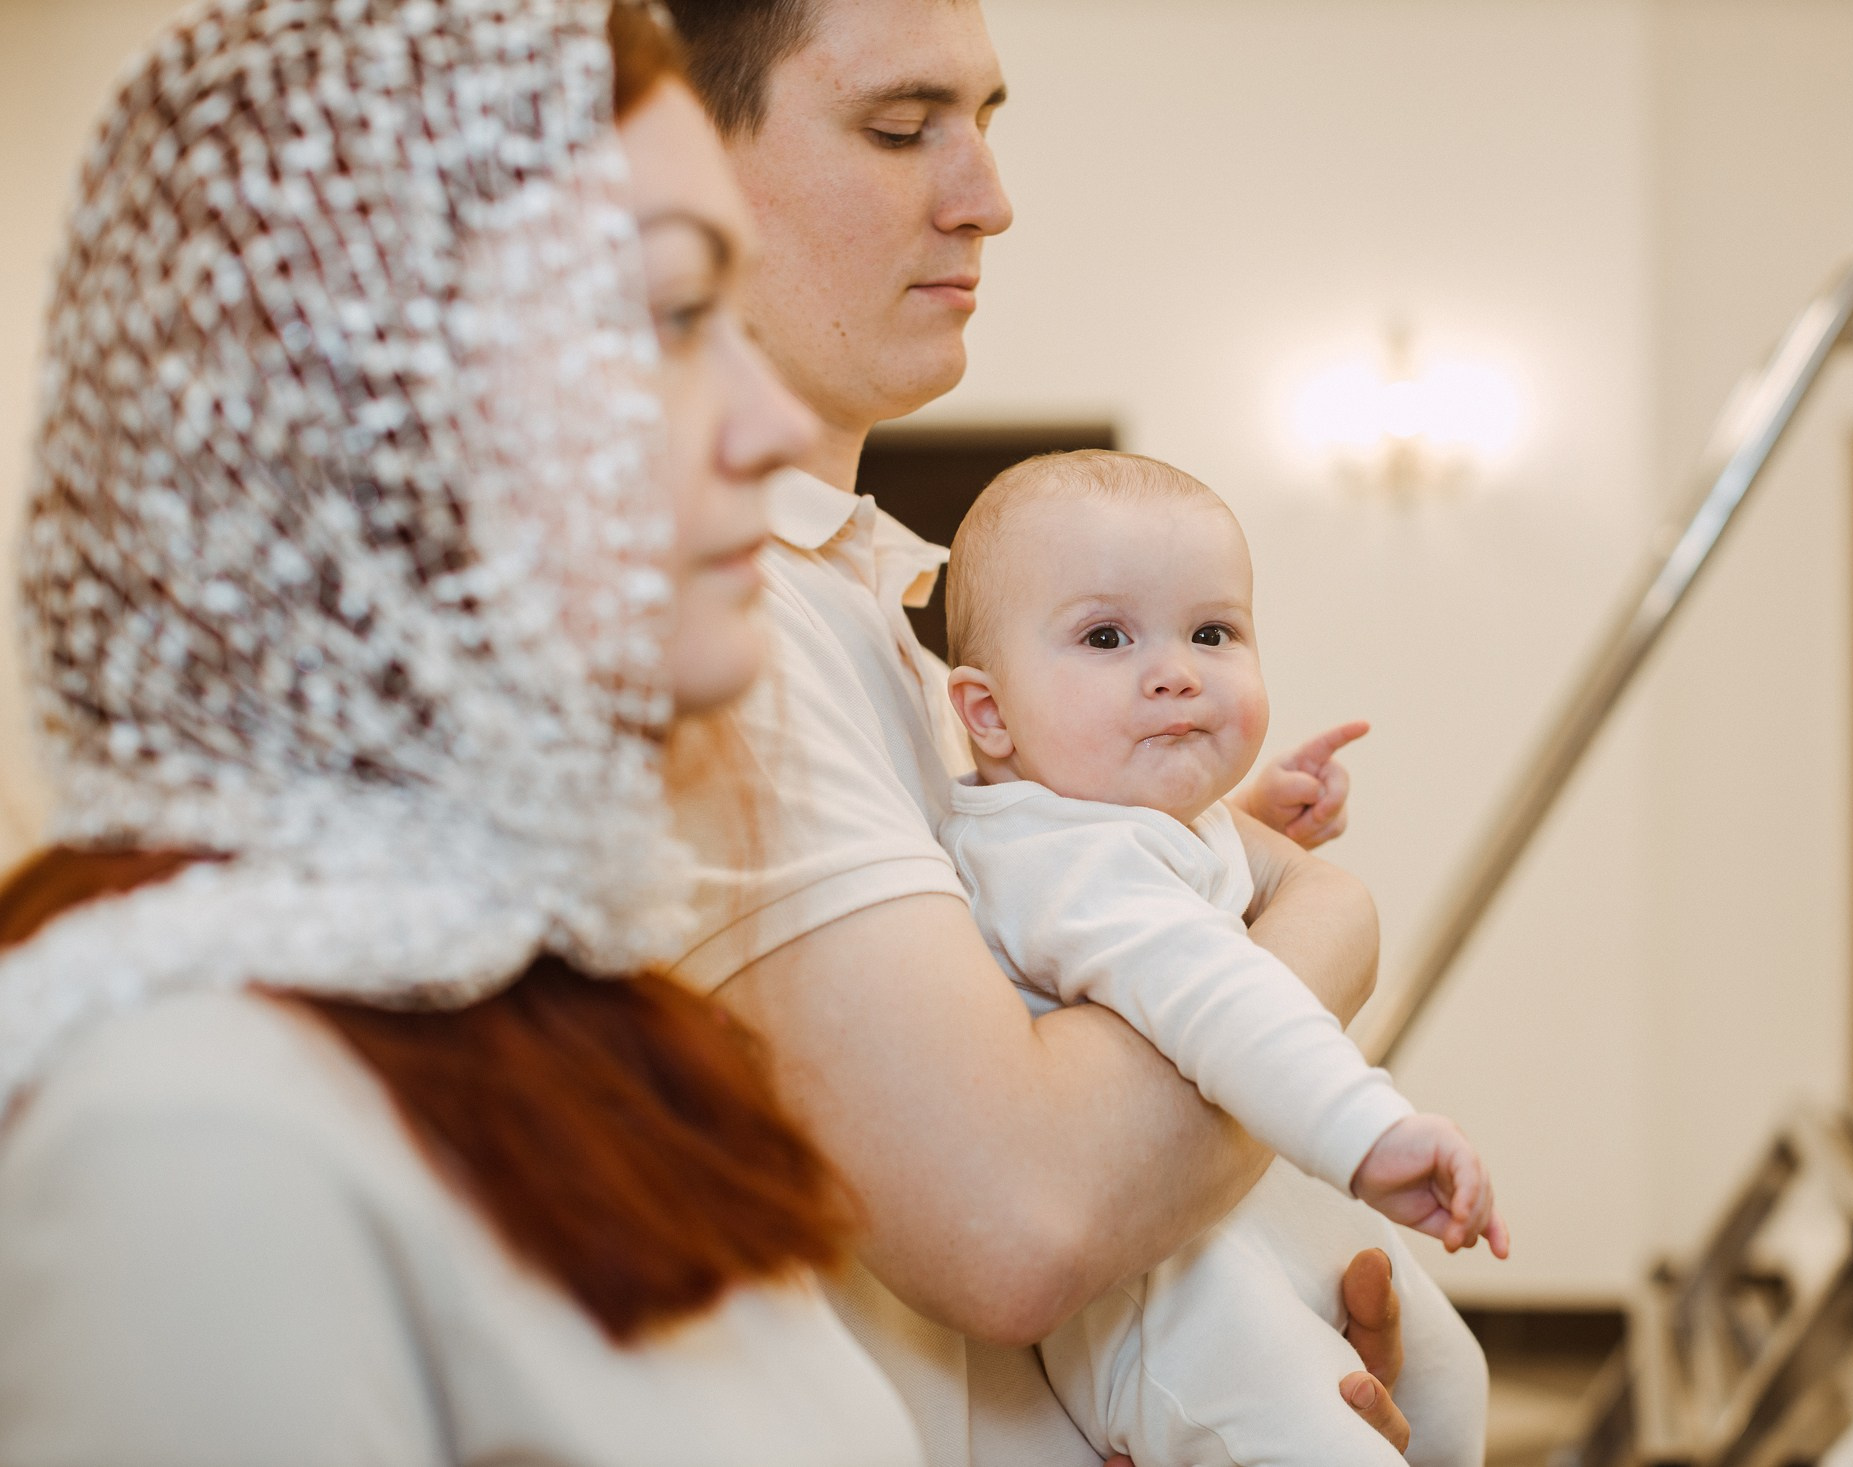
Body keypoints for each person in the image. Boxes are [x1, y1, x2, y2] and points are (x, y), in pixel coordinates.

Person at [0, 4, 923, 1463]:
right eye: (672, 317)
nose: (764, 423)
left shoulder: (582, 1019)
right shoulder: (193, 1127)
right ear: (359, 403)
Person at [658, 2, 1418, 1463]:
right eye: (901, 129)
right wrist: (1330, 921)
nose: (987, 200)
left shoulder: (874, 612)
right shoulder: (718, 615)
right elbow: (1021, 1221)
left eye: (985, 122)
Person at [939, 449, 1497, 1467]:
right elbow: (1213, 991)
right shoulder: (1045, 854)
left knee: (1449, 1384)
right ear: (988, 714)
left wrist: (1245, 820)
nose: (1177, 670)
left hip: (1246, 1197)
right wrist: (1371, 1132)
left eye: (1211, 632)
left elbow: (1152, 906)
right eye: (1106, 637)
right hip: (1161, 1284)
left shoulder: (1102, 825)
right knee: (1319, 1442)